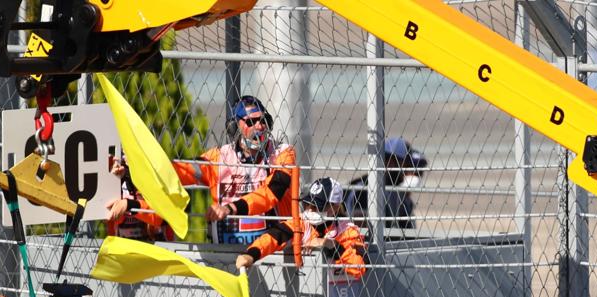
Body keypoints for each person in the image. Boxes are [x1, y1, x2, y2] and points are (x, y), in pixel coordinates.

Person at [175, 95, 299, 245]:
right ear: (235, 127)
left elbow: (273, 191)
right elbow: (180, 172)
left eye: (263, 120)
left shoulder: (283, 153)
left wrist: (231, 208)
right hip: (225, 255)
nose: (259, 127)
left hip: (275, 254)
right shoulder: (219, 157)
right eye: (251, 121)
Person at [234, 177, 368, 280]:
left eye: (316, 206)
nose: (310, 210)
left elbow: (359, 267)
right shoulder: (301, 223)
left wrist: (332, 246)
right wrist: (251, 254)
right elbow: (275, 236)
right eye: (308, 204)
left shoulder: (347, 230)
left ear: (335, 207)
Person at [347, 136, 428, 231]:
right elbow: (359, 227)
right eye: (405, 164)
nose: (406, 170)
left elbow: (407, 230)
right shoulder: (364, 189)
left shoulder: (397, 194)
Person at [104, 155, 173, 241]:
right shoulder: (117, 174)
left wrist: (129, 204)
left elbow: (164, 218)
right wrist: (113, 181)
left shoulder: (155, 172)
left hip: (157, 247)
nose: (125, 158)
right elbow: (112, 218)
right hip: (122, 247)